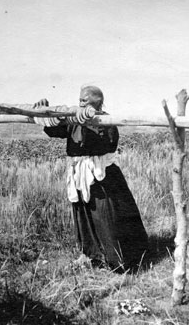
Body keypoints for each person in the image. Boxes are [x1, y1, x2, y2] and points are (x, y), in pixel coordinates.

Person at [36, 86, 148, 271]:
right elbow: (55, 130)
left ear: (96, 102)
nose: (79, 103)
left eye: (84, 101)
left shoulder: (105, 120)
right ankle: (91, 256)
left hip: (101, 176)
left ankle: (118, 260)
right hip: (80, 175)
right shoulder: (74, 118)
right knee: (83, 215)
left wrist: (86, 121)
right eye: (79, 100)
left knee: (105, 216)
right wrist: (43, 113)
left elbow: (106, 142)